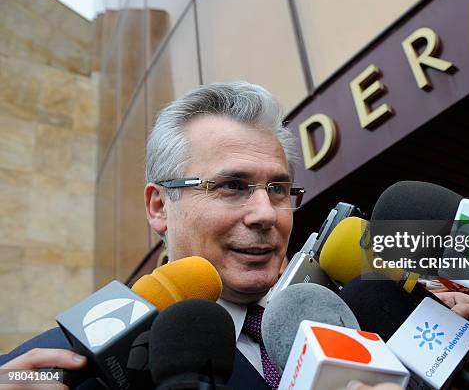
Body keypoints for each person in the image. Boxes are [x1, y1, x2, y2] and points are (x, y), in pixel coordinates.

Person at [0, 82, 304, 390]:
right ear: (159, 206)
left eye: (278, 189)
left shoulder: (337, 325)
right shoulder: (46, 373)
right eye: (232, 186)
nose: (266, 213)